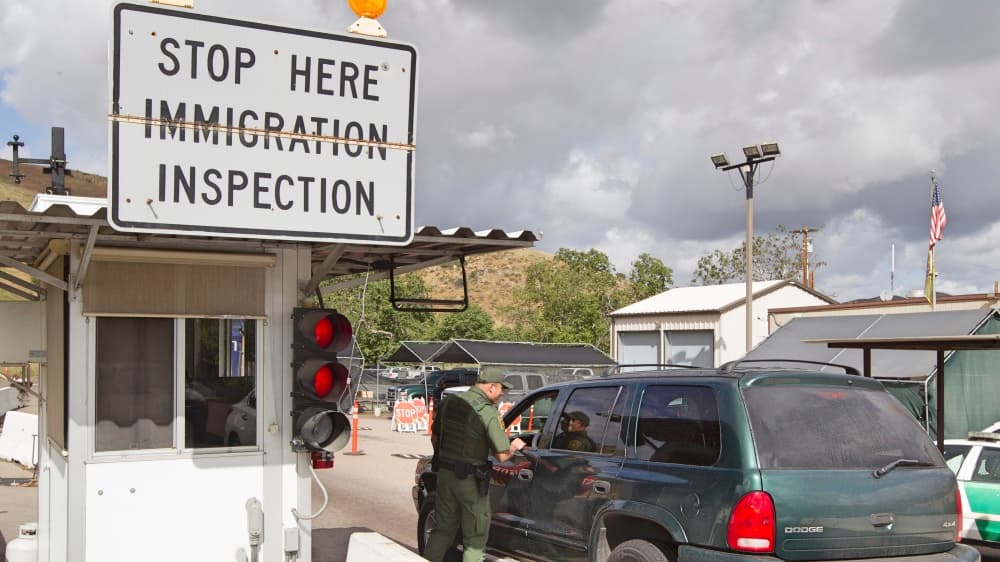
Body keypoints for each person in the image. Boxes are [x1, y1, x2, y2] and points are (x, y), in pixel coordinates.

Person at [424, 372, 527, 562]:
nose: (501, 394)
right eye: (501, 390)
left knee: (442, 530)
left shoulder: (449, 403)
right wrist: (515, 446)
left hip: (445, 475)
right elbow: (502, 455)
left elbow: (435, 437)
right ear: (491, 387)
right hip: (470, 480)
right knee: (475, 539)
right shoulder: (487, 411)